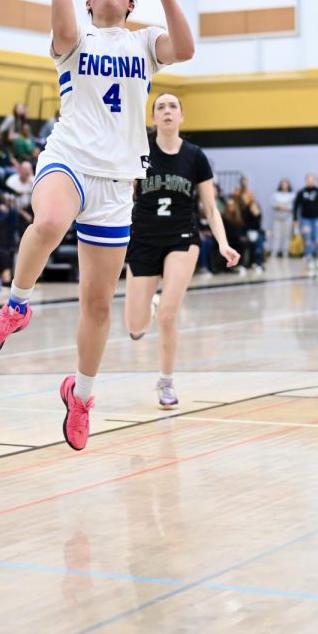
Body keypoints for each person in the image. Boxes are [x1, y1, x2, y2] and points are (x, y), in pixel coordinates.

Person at [0, 0, 194, 452]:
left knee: (96, 305)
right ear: (89, 1)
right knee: (47, 221)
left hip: (117, 182)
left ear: (131, 0)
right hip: (69, 157)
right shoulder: (75, 37)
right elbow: (63, 27)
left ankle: (82, 394)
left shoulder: (143, 41)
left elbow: (184, 49)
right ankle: (17, 307)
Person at [125, 92, 239, 407]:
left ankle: (166, 382)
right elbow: (125, 197)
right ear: (153, 118)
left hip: (182, 238)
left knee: (168, 314)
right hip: (144, 239)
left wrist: (223, 242)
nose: (166, 111)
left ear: (181, 116)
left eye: (172, 106)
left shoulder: (195, 156)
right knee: (135, 327)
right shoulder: (140, 153)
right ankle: (146, 305)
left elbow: (211, 208)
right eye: (160, 107)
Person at [292, 173, 318, 276]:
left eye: (312, 180)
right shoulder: (301, 192)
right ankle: (309, 258)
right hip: (305, 219)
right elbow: (296, 205)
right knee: (307, 239)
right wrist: (295, 218)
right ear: (306, 181)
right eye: (309, 179)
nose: (310, 181)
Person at [269, 178, 295, 258]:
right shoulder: (275, 194)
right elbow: (272, 204)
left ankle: (285, 251)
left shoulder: (292, 195)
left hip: (287, 217)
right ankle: (274, 251)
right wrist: (279, 206)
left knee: (287, 235)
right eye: (282, 184)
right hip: (277, 217)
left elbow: (293, 206)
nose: (284, 185)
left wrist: (284, 206)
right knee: (276, 235)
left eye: (285, 184)